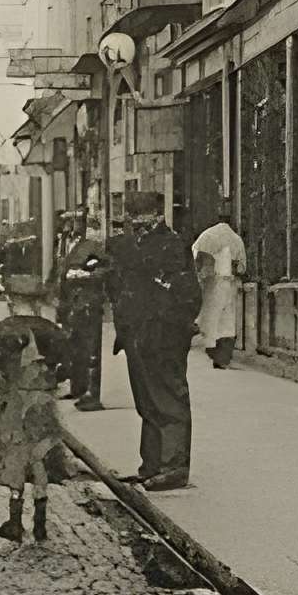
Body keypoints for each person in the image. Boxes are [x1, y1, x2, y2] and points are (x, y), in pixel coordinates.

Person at [107, 186, 202, 491]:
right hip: (137, 335)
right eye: (131, 216)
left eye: (139, 216)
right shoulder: (134, 245)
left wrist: (167, 326)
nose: (134, 222)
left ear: (156, 216)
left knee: (168, 400)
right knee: (147, 403)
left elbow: (186, 294)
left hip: (163, 337)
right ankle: (151, 465)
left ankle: (173, 467)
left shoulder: (171, 245)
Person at [0, 287, 73, 544]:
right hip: (44, 400)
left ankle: (15, 522)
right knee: (40, 457)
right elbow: (68, 365)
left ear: (12, 301)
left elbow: (0, 364)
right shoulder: (52, 331)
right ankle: (40, 524)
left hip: (18, 399)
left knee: (15, 455)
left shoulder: (5, 329)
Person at [56, 221, 109, 410]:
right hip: (72, 302)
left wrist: (84, 275)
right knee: (75, 347)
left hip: (88, 302)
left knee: (91, 349)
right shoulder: (69, 243)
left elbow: (106, 270)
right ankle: (78, 387)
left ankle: (92, 394)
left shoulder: (96, 247)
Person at [191, 210, 248, 369]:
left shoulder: (208, 236)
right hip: (229, 283)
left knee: (211, 318)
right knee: (227, 321)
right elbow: (242, 267)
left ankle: (213, 350)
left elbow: (196, 258)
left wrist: (200, 274)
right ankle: (223, 356)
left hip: (212, 284)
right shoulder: (236, 240)